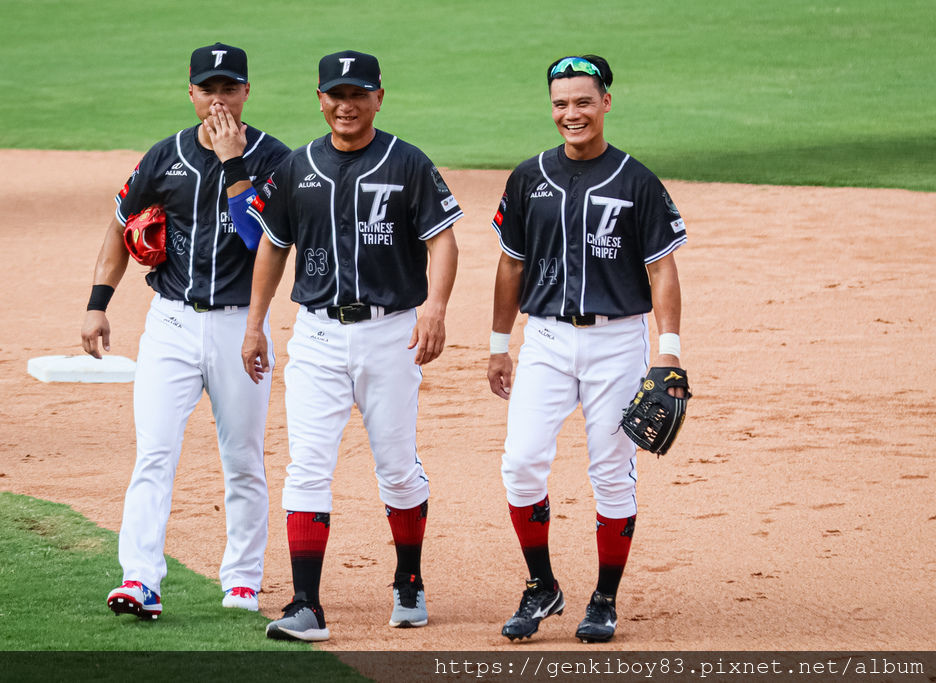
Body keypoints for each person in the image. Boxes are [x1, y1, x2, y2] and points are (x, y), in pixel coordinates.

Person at [237, 50, 461, 642]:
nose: (346, 105)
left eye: (358, 94)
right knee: (307, 465)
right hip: (316, 335)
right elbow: (272, 246)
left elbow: (442, 241)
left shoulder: (408, 162)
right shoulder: (296, 166)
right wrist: (255, 323)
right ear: (320, 100)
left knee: (397, 468)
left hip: (391, 333)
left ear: (378, 98)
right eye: (336, 94)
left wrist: (435, 308)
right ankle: (306, 605)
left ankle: (408, 580)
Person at [80, 42, 290, 620]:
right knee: (154, 452)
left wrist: (232, 162)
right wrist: (98, 305)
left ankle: (242, 581)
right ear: (191, 92)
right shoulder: (164, 156)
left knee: (243, 459)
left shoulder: (275, 159)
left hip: (240, 327)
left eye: (229, 88)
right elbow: (120, 225)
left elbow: (260, 240)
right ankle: (139, 578)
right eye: (207, 88)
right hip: (170, 323)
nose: (218, 100)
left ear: (247, 92)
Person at [487, 54, 689, 643]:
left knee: (612, 472)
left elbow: (662, 269)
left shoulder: (636, 181)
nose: (570, 113)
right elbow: (510, 264)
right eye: (560, 104)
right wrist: (499, 345)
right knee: (521, 463)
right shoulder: (528, 177)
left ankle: (604, 600)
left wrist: (668, 350)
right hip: (546, 339)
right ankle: (541, 586)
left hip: (617, 342)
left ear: (605, 103)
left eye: (582, 101)